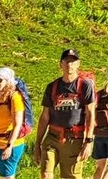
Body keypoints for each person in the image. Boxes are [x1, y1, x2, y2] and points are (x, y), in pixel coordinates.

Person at [36, 48, 95, 179]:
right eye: (66, 61)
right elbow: (45, 116)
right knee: (45, 174)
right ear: (60, 64)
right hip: (53, 136)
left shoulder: (84, 85)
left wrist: (89, 141)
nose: (70, 65)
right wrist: (37, 143)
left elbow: (90, 114)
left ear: (78, 64)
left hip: (74, 138)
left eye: (73, 62)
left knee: (71, 176)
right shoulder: (52, 87)